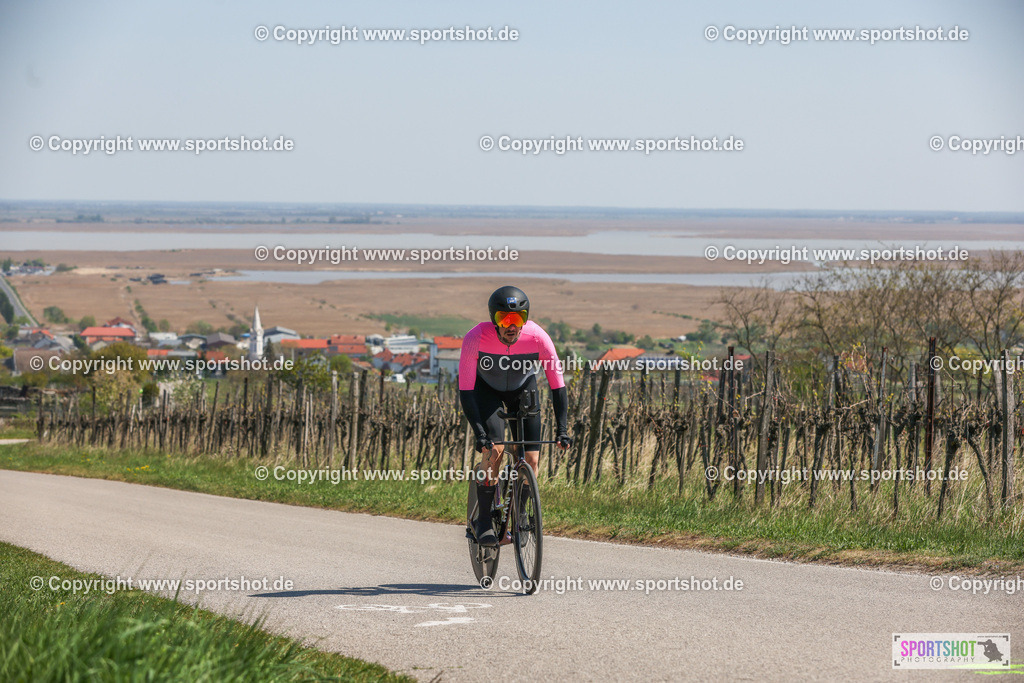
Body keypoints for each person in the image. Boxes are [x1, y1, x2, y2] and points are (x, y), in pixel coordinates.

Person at [458, 285, 572, 546]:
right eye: (504, 318)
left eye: (518, 318)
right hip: (486, 391)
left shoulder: (538, 337)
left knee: (531, 459)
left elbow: (558, 386)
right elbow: (466, 390)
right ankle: (483, 520)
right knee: (495, 450)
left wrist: (562, 430)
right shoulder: (475, 337)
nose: (511, 325)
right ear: (494, 320)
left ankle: (519, 514)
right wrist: (480, 433)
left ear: (525, 319)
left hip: (522, 389)